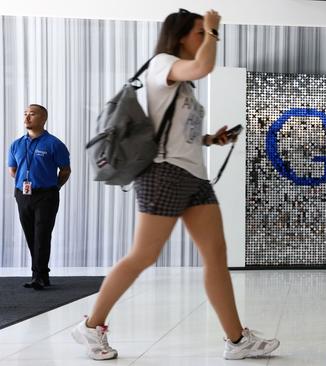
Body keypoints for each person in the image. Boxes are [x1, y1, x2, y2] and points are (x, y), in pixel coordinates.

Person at [70, 8, 279, 361]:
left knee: (216, 256)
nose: (205, 37)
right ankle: (91, 326)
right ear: (181, 35)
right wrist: (214, 31)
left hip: (193, 177)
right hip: (163, 174)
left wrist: (211, 139)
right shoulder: (163, 64)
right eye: (199, 32)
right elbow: (203, 66)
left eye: (205, 32)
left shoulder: (183, 84)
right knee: (143, 256)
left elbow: (177, 132)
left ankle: (237, 340)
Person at [7, 104, 71, 290]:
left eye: (32, 114)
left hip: (46, 195)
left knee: (42, 235)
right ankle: (42, 274)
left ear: (43, 119)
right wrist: (25, 182)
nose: (27, 118)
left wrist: (54, 187)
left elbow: (65, 170)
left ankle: (38, 276)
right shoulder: (16, 144)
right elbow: (13, 170)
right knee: (30, 235)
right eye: (25, 114)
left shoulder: (54, 144)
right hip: (23, 195)